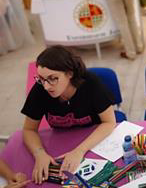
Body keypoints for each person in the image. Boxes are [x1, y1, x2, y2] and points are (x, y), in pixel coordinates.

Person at [21, 45, 116, 184]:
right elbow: (29, 129)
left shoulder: (91, 83)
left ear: (69, 73)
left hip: (93, 140)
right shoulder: (40, 88)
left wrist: (79, 151)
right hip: (59, 141)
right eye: (41, 79)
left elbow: (109, 122)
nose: (46, 86)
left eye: (53, 78)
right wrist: (39, 153)